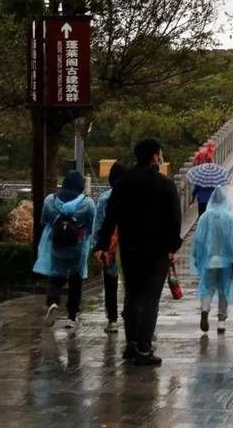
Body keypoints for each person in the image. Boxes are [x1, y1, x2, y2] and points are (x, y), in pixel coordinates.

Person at [95, 138, 182, 367]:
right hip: (156, 251)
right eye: (160, 153)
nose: (161, 157)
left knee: (132, 296)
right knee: (150, 299)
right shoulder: (165, 184)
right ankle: (144, 348)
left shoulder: (123, 183)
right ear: (155, 156)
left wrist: (102, 245)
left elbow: (110, 216)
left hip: (131, 249)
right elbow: (174, 220)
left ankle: (131, 344)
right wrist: (173, 247)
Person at [34, 170, 96, 332]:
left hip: (57, 244)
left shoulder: (51, 200)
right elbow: (92, 225)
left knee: (56, 276)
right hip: (78, 246)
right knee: (76, 281)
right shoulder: (87, 203)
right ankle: (72, 317)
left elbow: (44, 220)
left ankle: (53, 302)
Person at [191, 187, 233, 335]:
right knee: (224, 291)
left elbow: (198, 240)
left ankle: (205, 311)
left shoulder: (205, 217)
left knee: (207, 288)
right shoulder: (229, 218)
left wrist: (195, 256)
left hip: (208, 262)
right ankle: (221, 322)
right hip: (226, 262)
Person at [92, 162, 127, 334]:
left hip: (109, 246)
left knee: (110, 283)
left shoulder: (105, 198)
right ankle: (130, 313)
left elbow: (98, 224)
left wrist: (96, 247)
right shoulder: (132, 197)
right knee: (130, 284)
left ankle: (112, 320)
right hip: (128, 246)